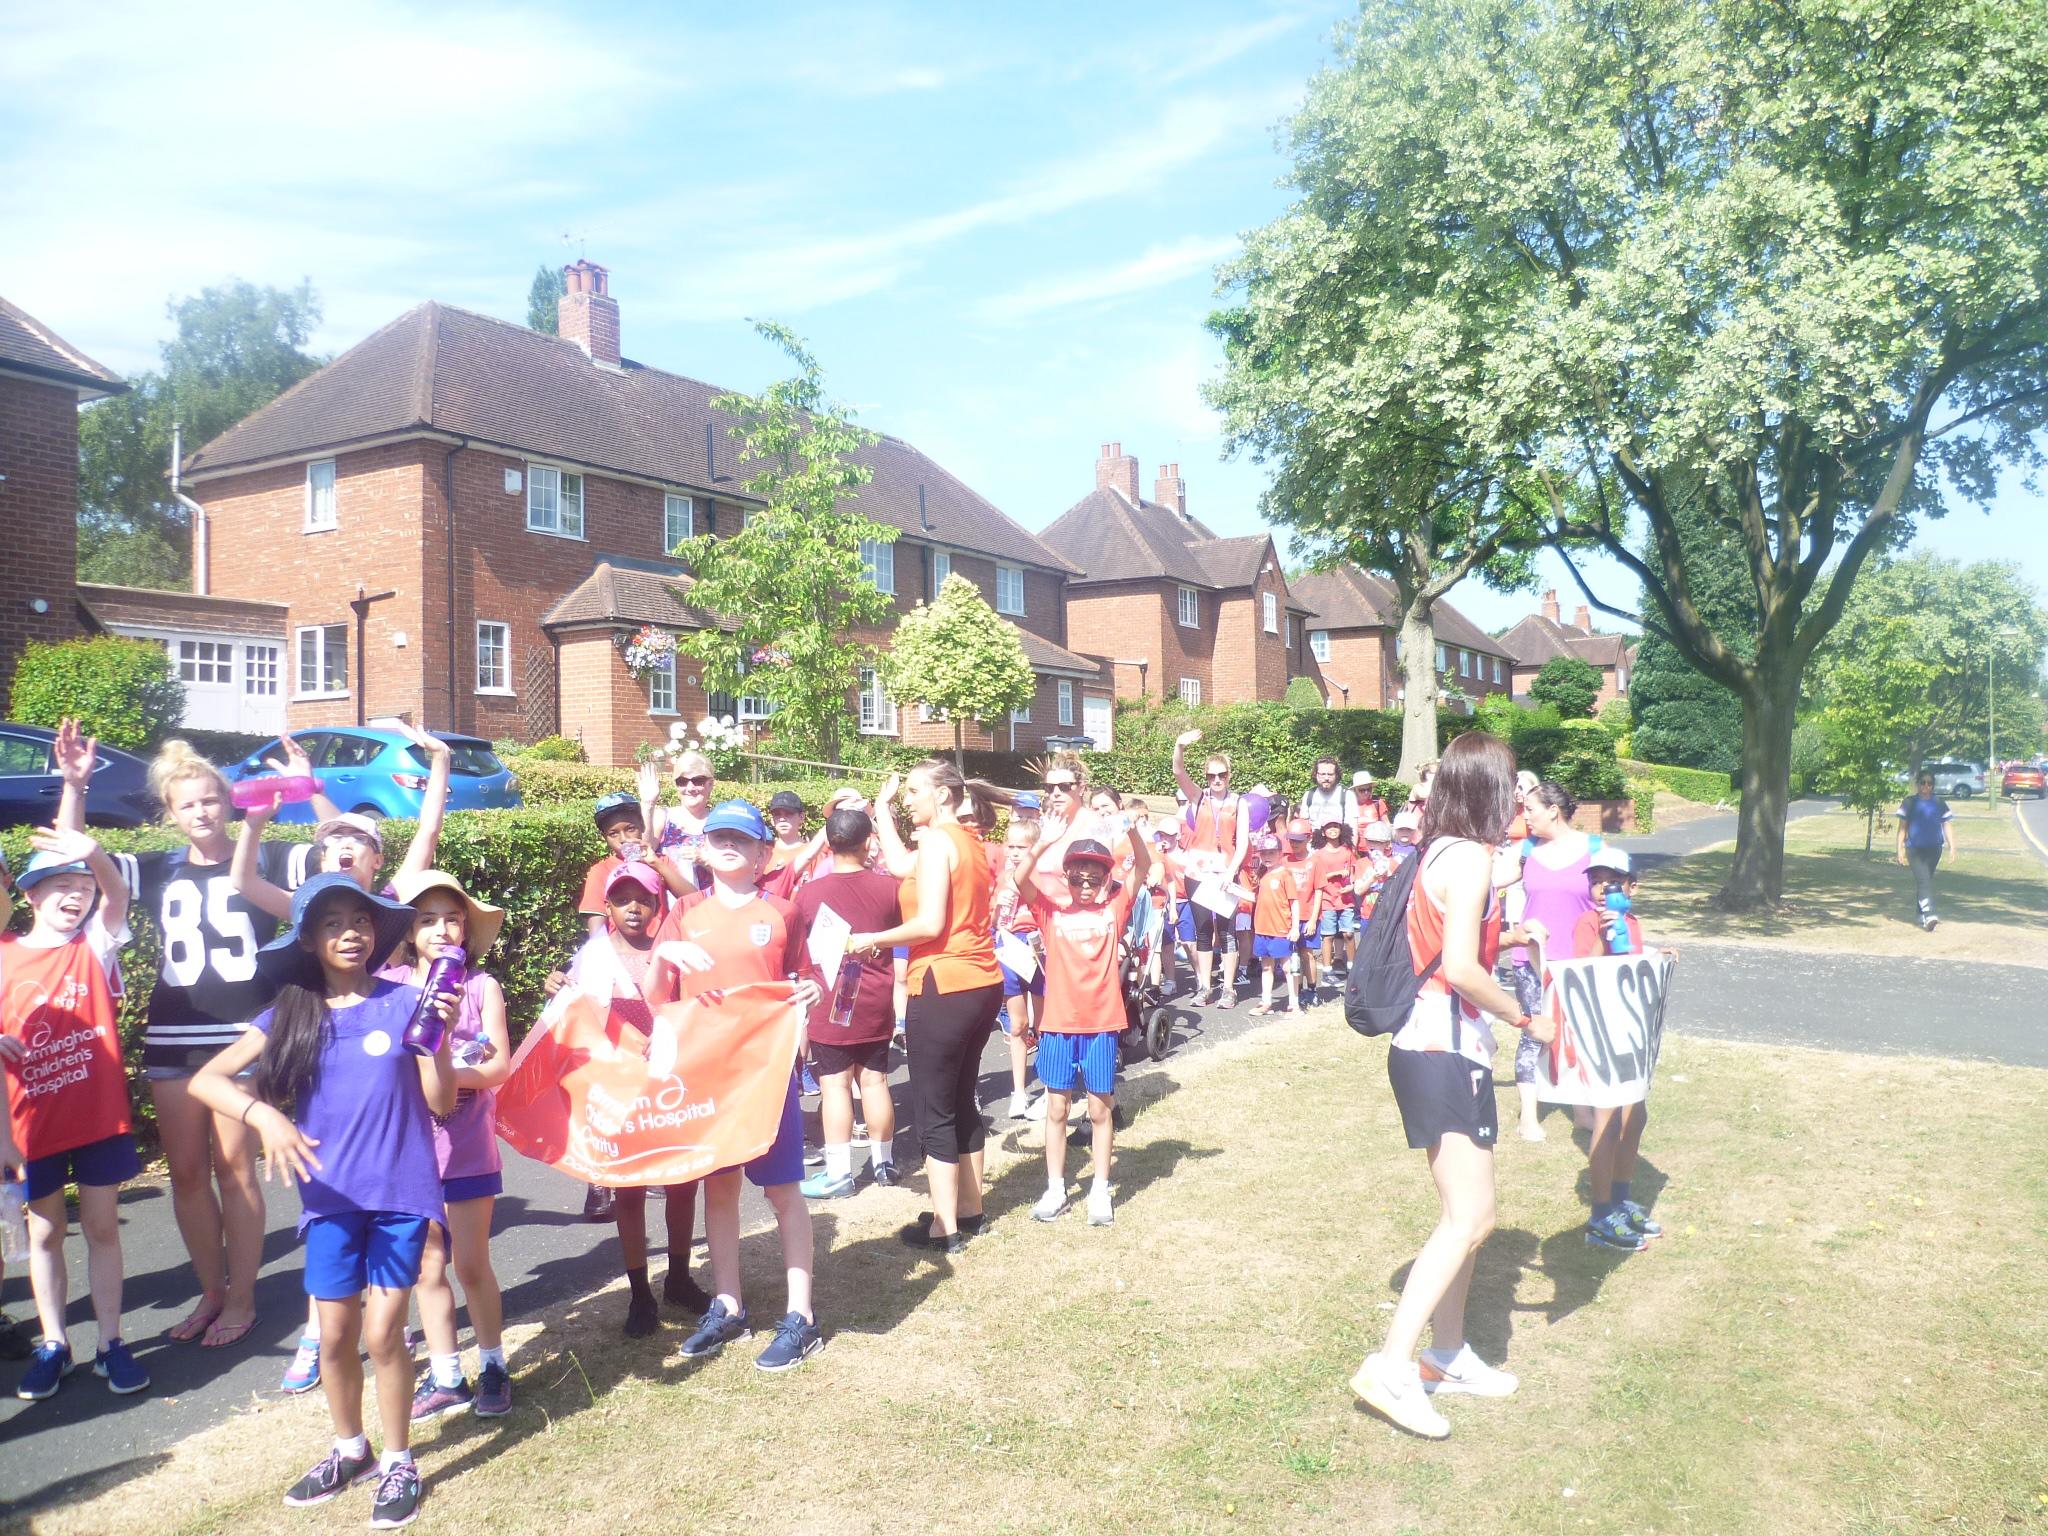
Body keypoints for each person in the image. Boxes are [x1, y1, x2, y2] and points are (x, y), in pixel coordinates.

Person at [191, 873, 457, 1526]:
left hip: (401, 1196)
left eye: (361, 920)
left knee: (383, 1333)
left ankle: (398, 1460)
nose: (351, 933)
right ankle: (350, 1449)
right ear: (309, 940)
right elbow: (207, 1080)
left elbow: (442, 1101)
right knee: (335, 1336)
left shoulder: (408, 1001)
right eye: (333, 923)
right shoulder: (292, 1014)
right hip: (330, 1200)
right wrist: (265, 1117)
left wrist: (442, 1042)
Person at [1352, 732, 1554, 1441]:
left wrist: (1514, 935)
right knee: (1469, 1218)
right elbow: (1462, 970)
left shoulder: (1443, 851)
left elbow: (1449, 943)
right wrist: (1526, 1018)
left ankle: (1447, 1354)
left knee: (1471, 1216)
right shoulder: (1467, 859)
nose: (1520, 798)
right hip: (1442, 1048)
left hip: (1441, 1047)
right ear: (1489, 789)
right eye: (1513, 785)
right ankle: (1391, 1366)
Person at [52, 724, 275, 1353]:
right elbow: (74, 856)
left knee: (236, 1170)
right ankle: (211, 1290)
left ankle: (243, 1297)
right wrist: (75, 786)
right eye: (187, 805)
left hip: (240, 1037)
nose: (201, 812)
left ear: (227, 800)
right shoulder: (152, 869)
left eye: (210, 799)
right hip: (173, 1033)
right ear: (170, 815)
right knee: (186, 1172)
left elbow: (342, 858)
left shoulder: (264, 856)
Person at [650, 800, 824, 1371]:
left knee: (783, 1191)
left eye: (742, 839)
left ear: (762, 853)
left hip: (768, 1073)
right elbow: (656, 1000)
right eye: (719, 837)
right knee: (719, 1189)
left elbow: (806, 976)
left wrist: (812, 990)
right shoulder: (684, 911)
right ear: (702, 849)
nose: (729, 846)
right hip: (709, 1077)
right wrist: (662, 954)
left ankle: (801, 1317)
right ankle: (729, 1305)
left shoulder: (784, 910)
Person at [2, 829, 147, 1402]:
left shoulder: (94, 945)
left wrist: (93, 855)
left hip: (97, 1119)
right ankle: (54, 1343)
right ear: (30, 895)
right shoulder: (5, 953)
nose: (76, 895)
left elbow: (118, 894)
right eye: (60, 885)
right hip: (31, 1124)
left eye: (83, 888)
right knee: (45, 1231)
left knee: (102, 1226)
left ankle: (110, 1342)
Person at [847, 761, 1006, 1257]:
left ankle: (944, 1227)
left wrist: (871, 939)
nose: (909, 799)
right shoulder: (965, 840)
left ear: (941, 795)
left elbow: (930, 924)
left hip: (943, 983)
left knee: (934, 1108)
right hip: (981, 982)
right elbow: (900, 866)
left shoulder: (938, 841)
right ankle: (969, 1210)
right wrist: (881, 809)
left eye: (914, 791)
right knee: (961, 1098)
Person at [379, 871, 515, 1421]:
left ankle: (494, 1364)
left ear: (466, 928)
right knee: (426, 1267)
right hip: (408, 1149)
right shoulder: (388, 986)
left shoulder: (481, 988)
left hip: (467, 1145)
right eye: (427, 920)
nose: (440, 929)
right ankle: (446, 1374)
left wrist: (445, 1075)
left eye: (452, 919)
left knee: (471, 1264)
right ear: (408, 931)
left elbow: (499, 1066)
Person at [561, 861, 709, 1335]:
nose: (633, 908)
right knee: (629, 1188)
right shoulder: (593, 957)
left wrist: (669, 1033)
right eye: (622, 900)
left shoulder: (673, 949)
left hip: (671, 1082)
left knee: (682, 1181)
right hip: (619, 1087)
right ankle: (640, 1292)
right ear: (606, 906)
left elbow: (694, 1006)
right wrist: (557, 988)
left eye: (643, 899)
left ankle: (679, 1278)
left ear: (656, 904)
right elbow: (575, 1019)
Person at [1005, 818, 1150, 1226]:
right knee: (1057, 1108)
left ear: (1106, 880)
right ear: (1066, 877)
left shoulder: (1114, 908)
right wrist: (1043, 842)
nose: (1085, 885)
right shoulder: (1050, 912)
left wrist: (1133, 830)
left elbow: (1141, 865)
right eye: (1077, 878)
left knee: (1100, 1111)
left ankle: (1100, 1189)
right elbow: (1019, 879)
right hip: (1057, 1026)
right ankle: (1056, 1188)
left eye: (1094, 878)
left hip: (1101, 1025)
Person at [790, 807, 905, 1197]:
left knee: (835, 1085)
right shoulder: (889, 888)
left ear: (828, 843)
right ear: (868, 842)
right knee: (875, 1081)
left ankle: (839, 1173)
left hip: (828, 999)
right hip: (876, 996)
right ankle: (884, 1163)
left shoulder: (809, 893)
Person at [1574, 849, 1669, 1253]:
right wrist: (1601, 935)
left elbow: (1630, 966)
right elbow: (1580, 971)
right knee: (1608, 1120)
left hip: (1630, 1031)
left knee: (1635, 1116)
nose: (1602, 889)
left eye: (1612, 882)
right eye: (1595, 881)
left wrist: (1655, 957)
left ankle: (1620, 1199)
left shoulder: (1631, 922)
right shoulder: (1588, 922)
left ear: (1632, 888)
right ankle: (1600, 1215)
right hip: (1602, 1031)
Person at [1513, 780, 1603, 1137]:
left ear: (1553, 810)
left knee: (1579, 1033)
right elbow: (1488, 877)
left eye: (1530, 809)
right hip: (1531, 960)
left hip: (1579, 961)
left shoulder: (1595, 849)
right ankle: (1528, 1117)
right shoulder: (1525, 849)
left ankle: (1582, 1111)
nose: (1525, 816)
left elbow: (1613, 894)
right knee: (1534, 1032)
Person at [1171, 729, 1251, 1008]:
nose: (1216, 780)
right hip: (1199, 872)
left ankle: (1228, 988)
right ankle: (1204, 986)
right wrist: (1179, 746)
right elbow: (1178, 772)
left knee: (1227, 931)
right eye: (1211, 776)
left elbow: (1242, 843)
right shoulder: (1199, 797)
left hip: (1225, 872)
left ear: (1229, 775)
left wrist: (1231, 872)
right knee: (1203, 930)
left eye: (1222, 775)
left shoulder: (1239, 802)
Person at [992, 814, 1047, 1120]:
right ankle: (1019, 1091)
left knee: (1044, 1023)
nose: (1014, 853)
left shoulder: (1040, 876)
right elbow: (992, 920)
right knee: (1017, 1025)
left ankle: (1050, 1087)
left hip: (1035, 946)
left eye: (1021, 848)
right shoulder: (1002, 877)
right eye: (1010, 846)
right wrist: (998, 905)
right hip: (1008, 946)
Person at [580, 789, 662, 935]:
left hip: (660, 944)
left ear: (642, 826)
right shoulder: (601, 871)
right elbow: (596, 929)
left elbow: (691, 899)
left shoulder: (660, 863)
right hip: (618, 947)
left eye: (630, 829)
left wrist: (657, 864)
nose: (623, 838)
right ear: (604, 837)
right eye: (613, 833)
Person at [1895, 770, 1957, 931]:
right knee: (1924, 881)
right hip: (1914, 849)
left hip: (1934, 849)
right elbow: (1902, 828)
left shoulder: (1939, 803)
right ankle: (1930, 916)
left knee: (1925, 881)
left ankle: (1919, 914)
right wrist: (1899, 849)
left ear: (1933, 786)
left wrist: (1952, 846)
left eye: (1929, 783)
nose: (1926, 786)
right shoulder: (1910, 802)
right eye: (1923, 782)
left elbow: (1947, 824)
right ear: (1918, 784)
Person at [650, 749, 718, 895]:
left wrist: (705, 860)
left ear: (710, 784)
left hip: (708, 904)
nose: (690, 788)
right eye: (682, 782)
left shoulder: (719, 823)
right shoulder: (663, 818)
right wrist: (647, 803)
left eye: (698, 781)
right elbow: (643, 853)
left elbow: (736, 874)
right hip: (668, 904)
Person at [1247, 835, 1301, 1016]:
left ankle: (1294, 1003)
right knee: (1266, 966)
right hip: (1262, 928)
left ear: (1280, 853)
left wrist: (1295, 927)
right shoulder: (1262, 875)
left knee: (1287, 967)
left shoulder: (1285, 874)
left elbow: (1294, 902)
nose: (1267, 857)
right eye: (1264, 853)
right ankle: (1266, 1002)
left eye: (1271, 853)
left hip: (1280, 928)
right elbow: (1257, 898)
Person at [1309, 821, 1359, 978]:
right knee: (1328, 935)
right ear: (1323, 832)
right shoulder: (1318, 855)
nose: (1333, 830)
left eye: (1336, 827)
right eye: (1329, 827)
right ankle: (1327, 970)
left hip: (1346, 900)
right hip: (1327, 900)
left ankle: (1352, 967)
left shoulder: (1347, 851)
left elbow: (1354, 874)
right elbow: (1315, 878)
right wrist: (1334, 874)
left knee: (1348, 934)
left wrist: (1351, 886)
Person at [1354, 822, 1400, 931]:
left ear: (1387, 844)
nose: (1373, 845)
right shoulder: (1361, 863)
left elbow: (1398, 890)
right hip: (1368, 915)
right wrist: (1372, 878)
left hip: (1387, 916)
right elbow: (1358, 890)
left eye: (1379, 842)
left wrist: (1388, 872)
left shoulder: (1394, 863)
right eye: (1370, 841)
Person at [1299, 756, 1350, 831]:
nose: (1326, 778)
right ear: (1316, 775)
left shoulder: (1347, 795)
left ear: (1336, 775)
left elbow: (1352, 829)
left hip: (1338, 837)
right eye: (1322, 774)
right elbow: (1304, 827)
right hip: (1314, 837)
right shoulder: (1309, 795)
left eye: (1330, 774)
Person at [1350, 771, 1389, 839]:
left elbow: (1386, 824)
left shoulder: (1377, 802)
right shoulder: (1349, 804)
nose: (1366, 792)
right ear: (1355, 790)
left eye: (1369, 789)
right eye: (1362, 790)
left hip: (1375, 842)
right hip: (1354, 842)